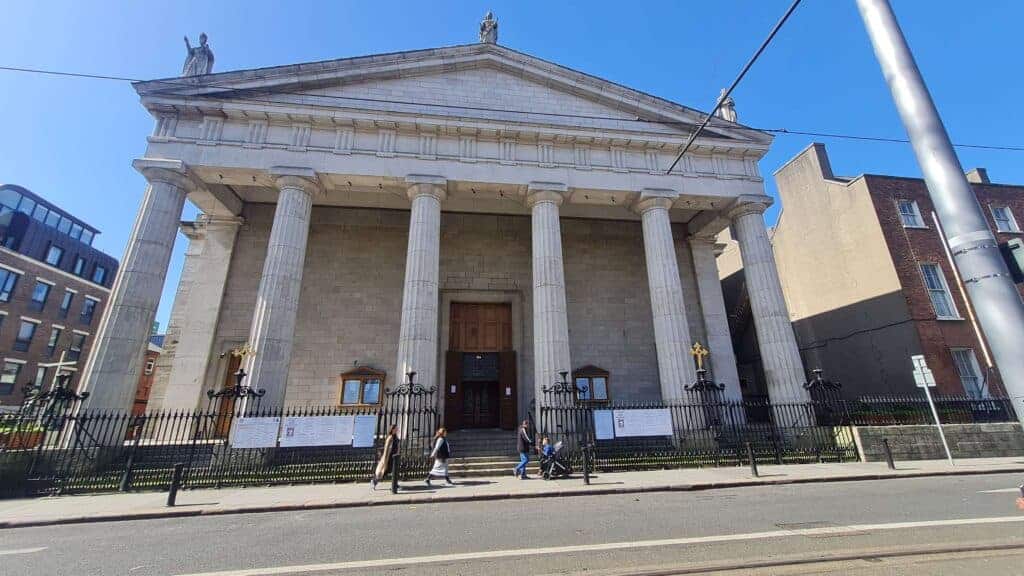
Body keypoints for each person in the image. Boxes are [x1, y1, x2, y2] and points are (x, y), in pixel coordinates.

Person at [371, 424, 400, 490]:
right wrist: (385, 460)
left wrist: (398, 453)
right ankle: (374, 481)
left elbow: (397, 446)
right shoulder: (390, 437)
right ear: (392, 429)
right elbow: (386, 449)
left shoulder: (395, 436)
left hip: (394, 457)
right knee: (385, 471)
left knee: (394, 471)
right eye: (396, 429)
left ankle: (395, 484)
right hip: (389, 458)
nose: (397, 430)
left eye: (397, 429)